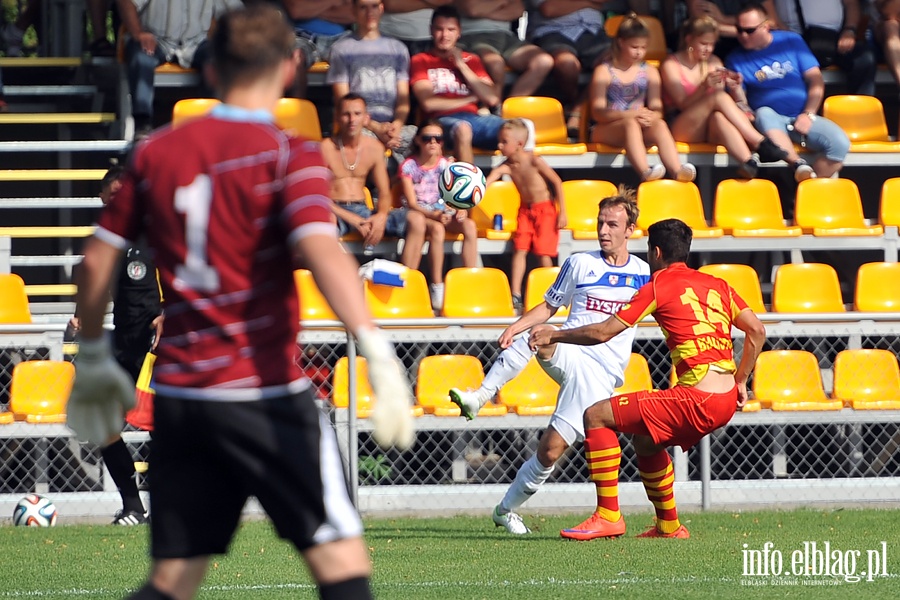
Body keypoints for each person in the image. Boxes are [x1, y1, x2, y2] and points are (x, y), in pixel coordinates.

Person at [65, 6, 414, 599]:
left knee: (174, 579)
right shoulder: (289, 152)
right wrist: (376, 347)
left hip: (183, 397)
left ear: (213, 67)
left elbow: (97, 260)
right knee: (343, 565)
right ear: (291, 68)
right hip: (265, 393)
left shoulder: (156, 153)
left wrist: (94, 356)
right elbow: (321, 250)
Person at [529, 218, 766, 539]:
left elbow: (602, 332)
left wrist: (557, 335)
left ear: (655, 252)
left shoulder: (657, 285)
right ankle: (669, 526)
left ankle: (608, 515)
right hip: (724, 399)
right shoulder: (717, 285)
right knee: (646, 439)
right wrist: (740, 380)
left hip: (696, 399)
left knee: (595, 415)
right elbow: (756, 331)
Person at [449, 186, 650, 534]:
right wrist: (517, 325)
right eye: (600, 223)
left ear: (630, 229)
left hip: (603, 374)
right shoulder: (579, 263)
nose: (603, 231)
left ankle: (505, 510)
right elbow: (549, 306)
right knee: (542, 333)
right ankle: (479, 396)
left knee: (550, 452)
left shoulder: (645, 273)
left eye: (613, 225)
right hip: (569, 349)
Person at [69, 167, 163, 526]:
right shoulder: (107, 241)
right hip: (123, 347)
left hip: (154, 350)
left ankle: (168, 506)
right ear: (104, 200)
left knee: (165, 430)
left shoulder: (156, 234)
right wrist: (80, 315)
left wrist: (167, 313)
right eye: (113, 195)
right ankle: (133, 506)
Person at [725, 3, 851, 180]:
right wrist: (735, 89)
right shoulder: (735, 59)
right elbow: (742, 104)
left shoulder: (790, 41)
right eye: (739, 30)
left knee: (840, 144)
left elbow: (815, 79)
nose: (743, 36)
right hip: (768, 121)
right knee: (764, 113)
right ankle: (797, 164)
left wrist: (808, 114)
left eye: (750, 30)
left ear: (766, 27)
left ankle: (807, 187)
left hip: (800, 116)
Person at [660, 15, 789, 179]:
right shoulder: (671, 64)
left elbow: (730, 103)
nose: (708, 49)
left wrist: (735, 89)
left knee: (719, 117)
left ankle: (748, 163)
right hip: (681, 124)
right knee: (718, 98)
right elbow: (682, 104)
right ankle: (761, 143)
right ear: (689, 40)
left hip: (709, 123)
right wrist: (703, 87)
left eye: (712, 44)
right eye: (703, 44)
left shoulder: (714, 61)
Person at [588, 13, 697, 183]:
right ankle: (645, 171)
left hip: (638, 123)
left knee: (659, 124)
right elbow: (598, 112)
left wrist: (651, 116)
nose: (639, 52)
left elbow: (657, 108)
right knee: (630, 124)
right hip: (606, 128)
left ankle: (677, 170)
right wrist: (631, 115)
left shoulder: (650, 71)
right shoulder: (604, 71)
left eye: (643, 47)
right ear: (621, 42)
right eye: (634, 47)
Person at [116, 0, 243, 137]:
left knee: (217, 60)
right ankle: (142, 125)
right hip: (155, 39)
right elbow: (126, 2)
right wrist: (138, 33)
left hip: (196, 41)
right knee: (141, 59)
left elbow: (236, 13)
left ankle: (211, 123)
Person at [485, 118, 566, 310]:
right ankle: (516, 294)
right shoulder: (506, 166)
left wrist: (562, 212)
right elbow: (488, 181)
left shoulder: (534, 160)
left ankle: (553, 293)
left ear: (519, 144)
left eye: (504, 142)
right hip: (525, 211)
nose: (499, 145)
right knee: (519, 249)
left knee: (543, 252)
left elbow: (557, 182)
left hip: (545, 209)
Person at [397, 120, 478, 310]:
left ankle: (469, 278)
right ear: (418, 141)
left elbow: (459, 194)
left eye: (438, 139)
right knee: (438, 230)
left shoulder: (447, 165)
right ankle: (436, 284)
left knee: (470, 226)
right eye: (427, 138)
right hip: (423, 213)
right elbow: (412, 202)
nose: (433, 142)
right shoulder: (409, 166)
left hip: (444, 212)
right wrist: (434, 215)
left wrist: (460, 209)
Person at [410, 5, 505, 164]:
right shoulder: (421, 60)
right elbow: (428, 104)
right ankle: (469, 186)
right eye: (439, 29)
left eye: (451, 30)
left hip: (476, 120)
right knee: (463, 128)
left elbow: (492, 98)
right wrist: (470, 99)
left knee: (520, 128)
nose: (444, 35)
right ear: (431, 30)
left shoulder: (472, 60)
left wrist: (461, 65)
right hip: (441, 122)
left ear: (459, 32)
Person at [327, 0, 417, 161]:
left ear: (382, 8)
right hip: (359, 125)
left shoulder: (398, 49)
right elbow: (343, 101)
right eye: (363, 7)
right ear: (353, 10)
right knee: (368, 143)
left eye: (374, 6)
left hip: (392, 126)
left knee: (427, 139)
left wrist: (396, 125)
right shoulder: (341, 49)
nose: (370, 12)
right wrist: (376, 127)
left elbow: (403, 98)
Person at [322, 93, 407, 249]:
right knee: (326, 223)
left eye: (357, 114)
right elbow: (317, 196)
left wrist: (381, 217)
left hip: (363, 209)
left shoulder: (374, 148)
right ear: (337, 117)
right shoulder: (324, 148)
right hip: (336, 211)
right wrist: (353, 219)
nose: (352, 120)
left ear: (366, 118)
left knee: (415, 220)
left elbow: (384, 192)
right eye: (346, 114)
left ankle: (408, 273)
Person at [525, 0, 613, 136]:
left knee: (614, 59)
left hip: (593, 32)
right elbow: (549, 9)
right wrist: (589, 3)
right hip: (551, 31)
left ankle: (577, 111)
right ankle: (574, 104)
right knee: (567, 64)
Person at [456, 0, 554, 103]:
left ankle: (508, 107)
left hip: (507, 37)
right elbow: (473, 10)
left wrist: (484, 10)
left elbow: (517, 11)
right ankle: (495, 107)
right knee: (495, 63)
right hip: (474, 36)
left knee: (543, 61)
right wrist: (504, 3)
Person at [773, 0, 875, 97]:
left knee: (864, 60)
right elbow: (767, 5)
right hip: (794, 37)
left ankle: (860, 110)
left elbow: (851, 3)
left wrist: (849, 30)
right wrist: (783, 31)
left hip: (833, 37)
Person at [281, 0, 353, 99]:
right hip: (302, 37)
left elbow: (354, 13)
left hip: (339, 38)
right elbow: (296, 9)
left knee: (356, 54)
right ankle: (295, 112)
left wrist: (311, 9)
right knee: (295, 58)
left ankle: (348, 111)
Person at [686, 0, 783, 59]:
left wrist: (723, 19)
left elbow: (771, 21)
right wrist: (748, 30)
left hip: (757, 46)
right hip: (717, 48)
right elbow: (701, 25)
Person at [381, 0, 449, 56]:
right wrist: (431, 4)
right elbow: (390, 4)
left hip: (428, 36)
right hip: (390, 34)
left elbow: (445, 1)